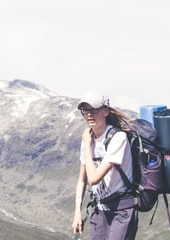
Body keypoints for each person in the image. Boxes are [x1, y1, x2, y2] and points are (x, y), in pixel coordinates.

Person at [71, 92, 138, 240]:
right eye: (85, 111)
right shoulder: (88, 138)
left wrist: (88, 146)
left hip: (121, 210)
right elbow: (82, 180)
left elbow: (93, 178)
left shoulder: (117, 138)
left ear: (106, 111)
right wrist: (77, 212)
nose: (89, 115)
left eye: (94, 110)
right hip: (99, 210)